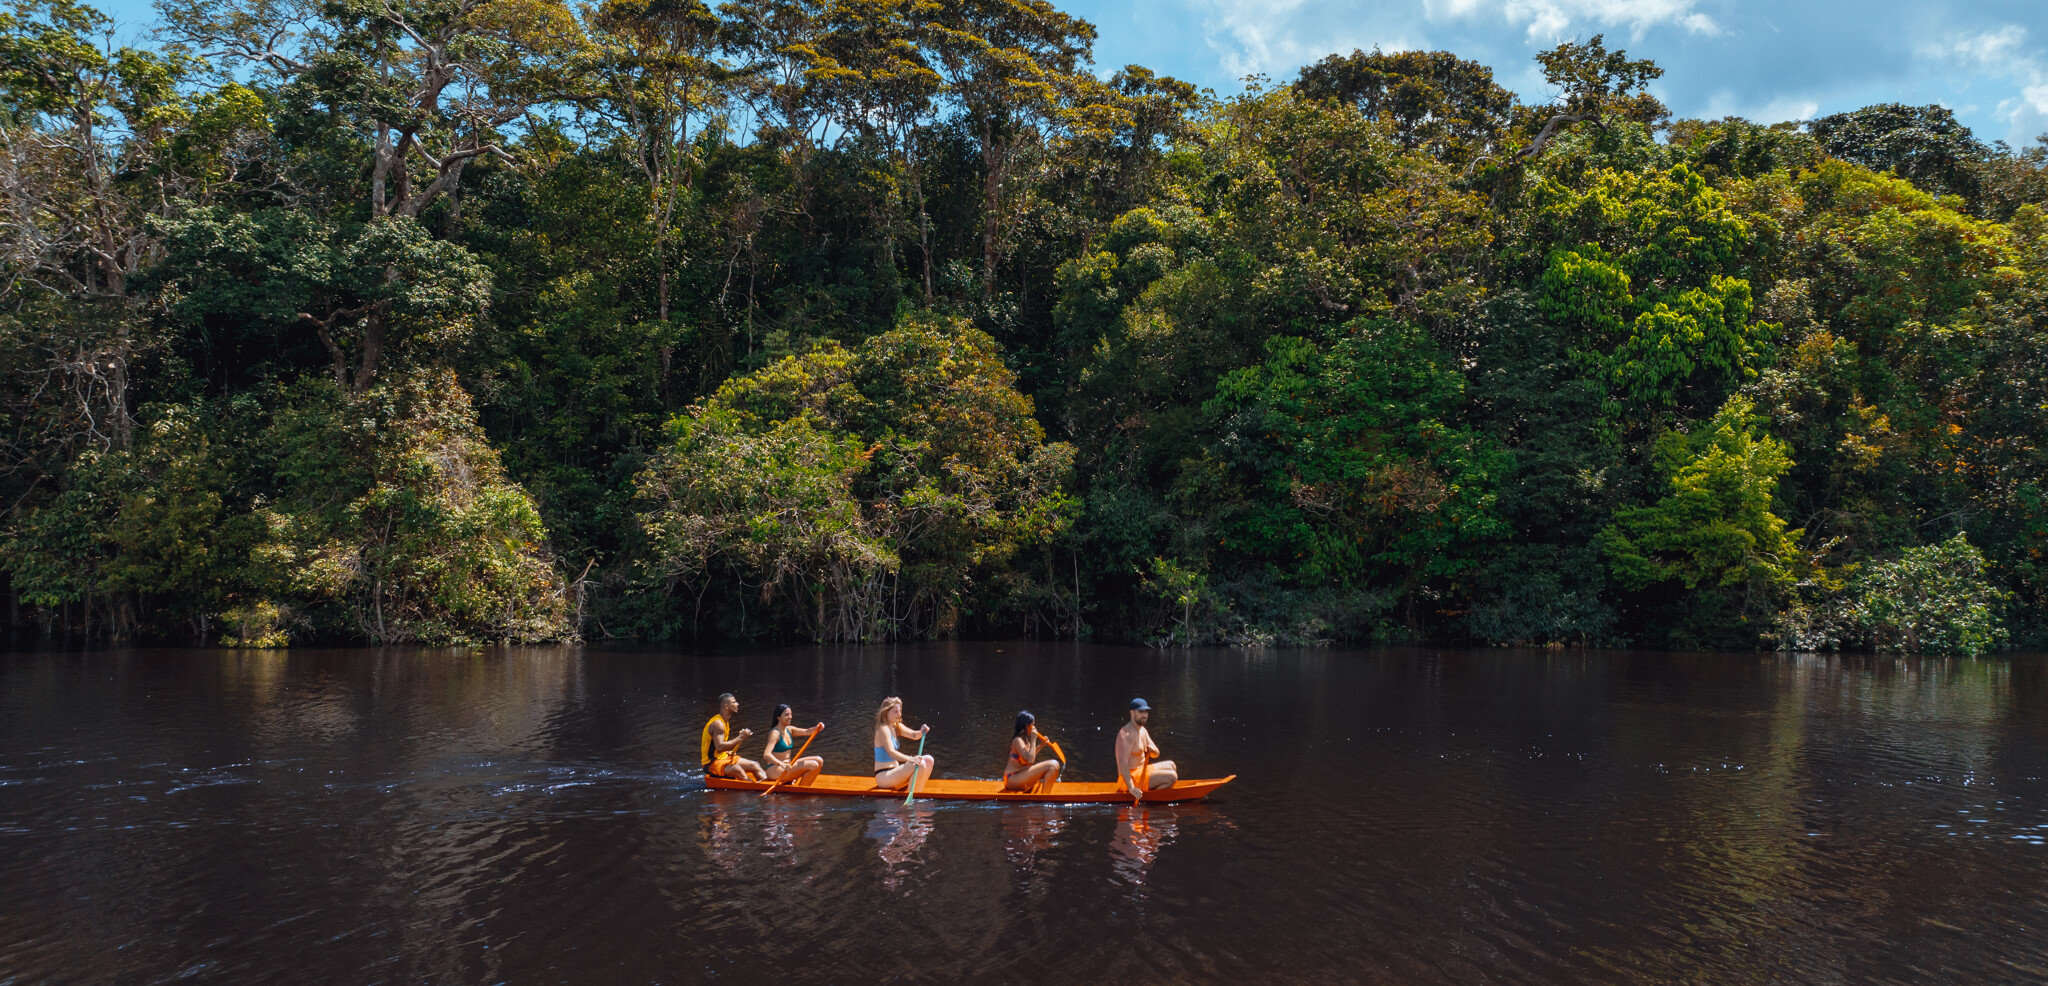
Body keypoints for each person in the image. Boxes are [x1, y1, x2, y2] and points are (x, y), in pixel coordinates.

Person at [1114, 697, 1177, 796]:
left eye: (1146, 712)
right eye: (1141, 712)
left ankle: (1153, 791)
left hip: (1142, 772)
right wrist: (1131, 788)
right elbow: (1123, 762)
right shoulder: (1126, 734)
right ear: (1132, 713)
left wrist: (1152, 750)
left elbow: (1156, 754)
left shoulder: (1142, 730)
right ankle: (1151, 796)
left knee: (1172, 765)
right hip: (1130, 780)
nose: (1144, 715)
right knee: (1172, 777)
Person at [872, 696, 934, 791]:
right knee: (920, 764)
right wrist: (910, 759)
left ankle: (917, 792)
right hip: (884, 776)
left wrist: (922, 731)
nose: (899, 714)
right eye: (896, 712)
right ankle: (911, 797)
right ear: (886, 712)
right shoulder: (883, 729)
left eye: (900, 711)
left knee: (929, 760)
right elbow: (891, 752)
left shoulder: (896, 726)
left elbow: (914, 735)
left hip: (895, 773)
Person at [701, 692, 766, 780]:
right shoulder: (718, 723)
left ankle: (767, 784)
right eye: (734, 702)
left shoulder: (725, 721)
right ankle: (752, 785)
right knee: (737, 769)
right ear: (726, 706)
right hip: (711, 764)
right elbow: (720, 747)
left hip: (722, 758)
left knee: (755, 765)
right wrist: (740, 738)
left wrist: (730, 749)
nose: (737, 704)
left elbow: (718, 748)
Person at [762, 704, 825, 786]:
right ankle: (801, 791)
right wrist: (781, 764)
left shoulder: (789, 729)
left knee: (819, 760)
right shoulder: (775, 733)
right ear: (778, 717)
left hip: (788, 766)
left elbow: (807, 732)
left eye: (790, 714)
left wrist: (818, 727)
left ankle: (802, 786)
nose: (790, 717)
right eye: (786, 715)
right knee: (813, 765)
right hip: (775, 769)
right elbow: (766, 755)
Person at [1002, 711, 1062, 791]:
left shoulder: (1025, 740)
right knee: (1053, 765)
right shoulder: (1017, 740)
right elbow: (1030, 760)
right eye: (1032, 725)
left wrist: (1041, 745)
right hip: (1012, 779)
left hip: (1020, 776)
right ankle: (1045, 796)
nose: (1034, 727)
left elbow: (1029, 756)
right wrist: (1033, 739)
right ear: (1026, 726)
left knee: (1054, 765)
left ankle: (1045, 794)